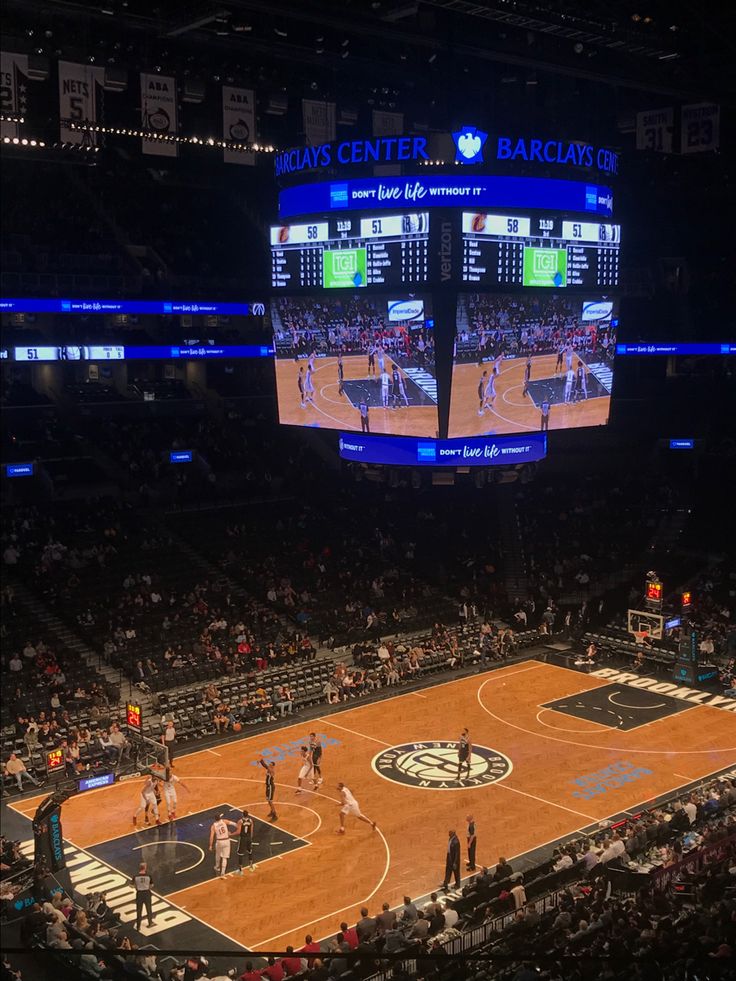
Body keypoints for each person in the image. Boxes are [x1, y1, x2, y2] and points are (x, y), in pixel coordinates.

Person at [209, 812, 238, 877]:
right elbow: (234, 824)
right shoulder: (224, 821)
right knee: (225, 857)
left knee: (218, 854)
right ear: (220, 818)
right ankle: (223, 872)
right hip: (226, 840)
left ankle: (217, 867)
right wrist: (239, 827)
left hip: (219, 841)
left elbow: (211, 836)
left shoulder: (213, 826)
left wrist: (210, 845)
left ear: (215, 819)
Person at [131, 862, 155, 931]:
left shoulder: (135, 876)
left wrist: (136, 887)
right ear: (145, 868)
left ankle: (138, 926)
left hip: (139, 894)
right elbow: (152, 885)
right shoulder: (148, 875)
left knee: (139, 910)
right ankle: (150, 923)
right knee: (149, 909)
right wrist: (147, 887)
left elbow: (131, 885)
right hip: (147, 893)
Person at [235, 809, 254, 873]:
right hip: (248, 838)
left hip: (243, 838)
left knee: (240, 853)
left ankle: (240, 870)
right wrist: (250, 838)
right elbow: (251, 831)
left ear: (242, 814)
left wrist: (231, 834)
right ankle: (251, 866)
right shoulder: (251, 821)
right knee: (250, 851)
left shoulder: (240, 821)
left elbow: (238, 832)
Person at [259, 757, 278, 821]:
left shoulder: (271, 771)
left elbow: (265, 766)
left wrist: (261, 761)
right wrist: (261, 761)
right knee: (268, 800)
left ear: (273, 766)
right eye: (269, 764)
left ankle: (275, 814)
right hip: (268, 786)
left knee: (270, 801)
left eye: (270, 765)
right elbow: (265, 766)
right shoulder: (268, 769)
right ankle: (272, 811)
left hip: (270, 787)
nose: (269, 765)